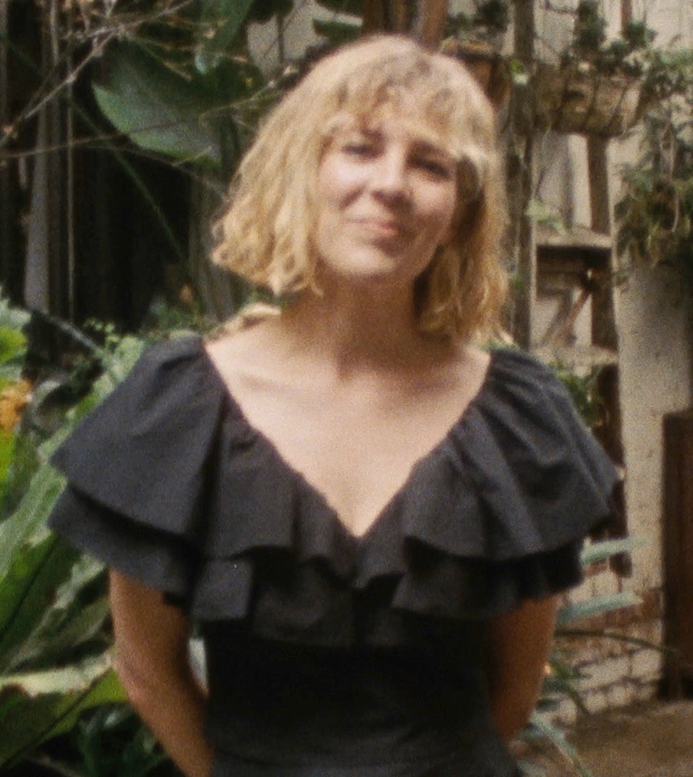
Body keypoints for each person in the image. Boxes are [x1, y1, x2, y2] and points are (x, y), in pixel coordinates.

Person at [48, 34, 618, 777]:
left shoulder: (515, 422)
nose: (391, 184)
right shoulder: (184, 410)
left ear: (458, 211)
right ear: (300, 171)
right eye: (359, 148)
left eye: (430, 163)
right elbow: (147, 669)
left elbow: (511, 690)